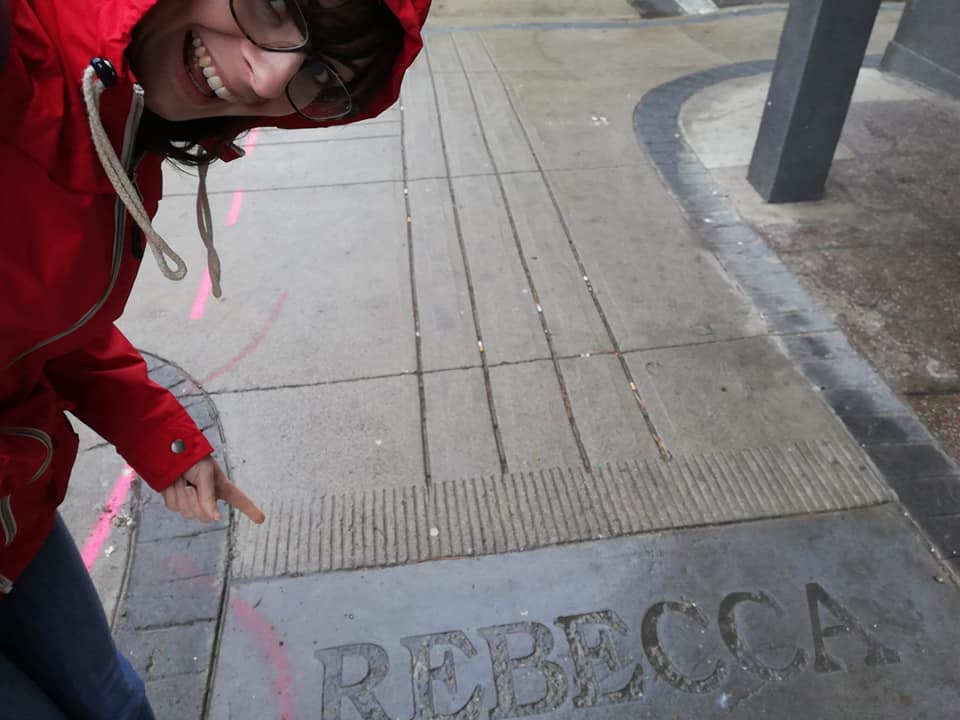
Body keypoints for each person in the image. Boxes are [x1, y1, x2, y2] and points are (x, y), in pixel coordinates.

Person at [0, 0, 429, 716]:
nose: (268, 77)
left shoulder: (120, 117)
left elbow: (33, 325)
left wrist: (158, 434)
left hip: (15, 504)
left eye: (320, 72)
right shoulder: (24, 52)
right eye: (275, 4)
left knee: (117, 702)